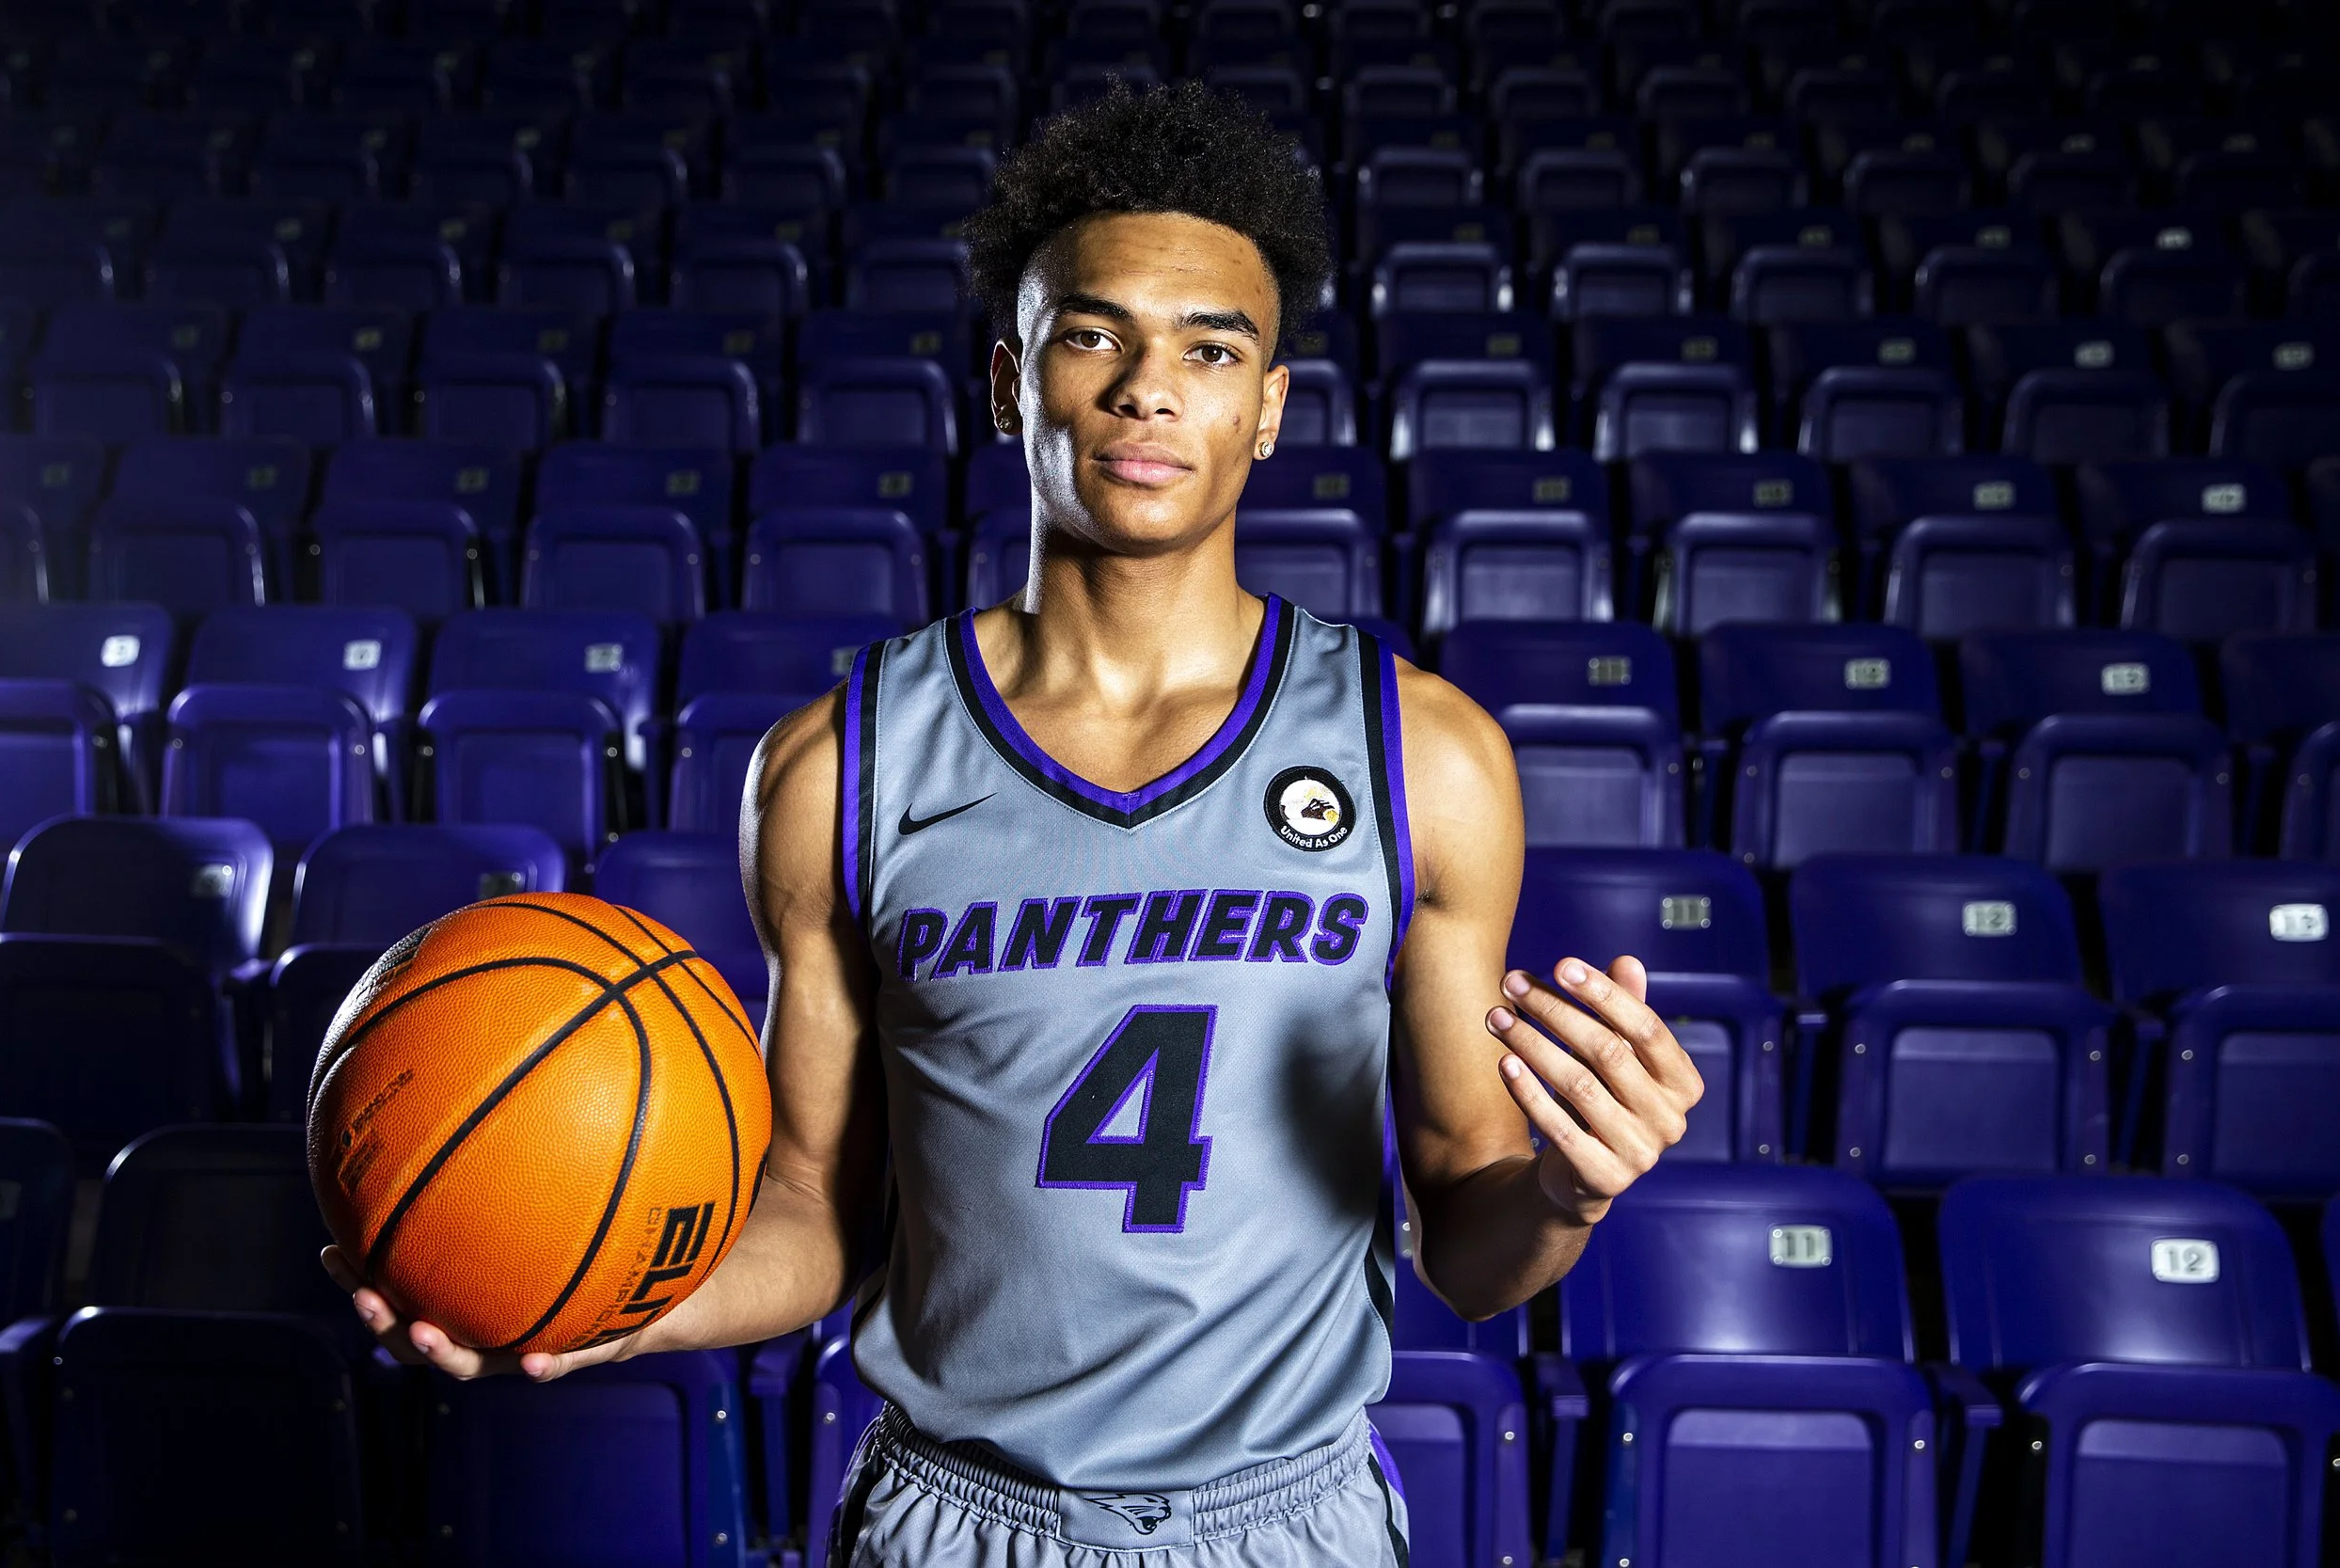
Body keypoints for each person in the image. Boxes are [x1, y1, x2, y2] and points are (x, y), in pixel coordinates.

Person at [324, 80, 1703, 1566]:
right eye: (1094, 335)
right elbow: (813, 1210)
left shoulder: (1425, 756)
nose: (1149, 389)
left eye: (1210, 349)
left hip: (1286, 1521)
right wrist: (607, 1302)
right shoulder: (838, 766)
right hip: (956, 1518)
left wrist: (1567, 1190)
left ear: (1268, 408)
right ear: (1010, 380)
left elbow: (1473, 1247)